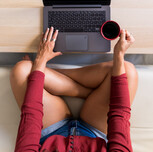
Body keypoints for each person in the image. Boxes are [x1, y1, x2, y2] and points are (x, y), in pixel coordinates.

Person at [10, 27, 138, 152]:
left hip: (51, 130)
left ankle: (49, 73)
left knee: (22, 70)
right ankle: (83, 91)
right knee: (127, 70)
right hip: (95, 131)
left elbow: (31, 113)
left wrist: (40, 61)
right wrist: (119, 54)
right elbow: (120, 113)